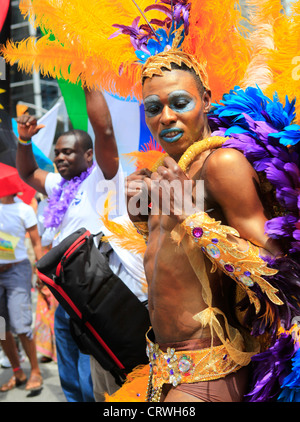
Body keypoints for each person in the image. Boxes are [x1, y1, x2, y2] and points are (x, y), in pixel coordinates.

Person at [110, 48, 300, 403]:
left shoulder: (222, 163)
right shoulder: (170, 168)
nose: (165, 117)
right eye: (153, 108)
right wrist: (141, 218)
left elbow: (279, 272)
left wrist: (192, 217)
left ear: (206, 101)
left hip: (211, 372)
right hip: (163, 369)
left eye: (179, 103)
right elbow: (174, 260)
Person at [16, 87, 127, 402]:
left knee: (91, 372)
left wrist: (89, 79)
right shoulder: (57, 185)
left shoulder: (102, 181)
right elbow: (26, 172)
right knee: (69, 373)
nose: (60, 157)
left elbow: (104, 132)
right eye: (57, 152)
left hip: (94, 294)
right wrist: (24, 141)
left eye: (68, 152)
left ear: (88, 155)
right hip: (63, 295)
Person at [0, 192, 43, 392]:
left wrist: (41, 270)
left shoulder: (23, 209)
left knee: (20, 323)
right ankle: (17, 371)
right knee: (1, 328)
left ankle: (35, 371)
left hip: (16, 271)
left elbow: (36, 242)